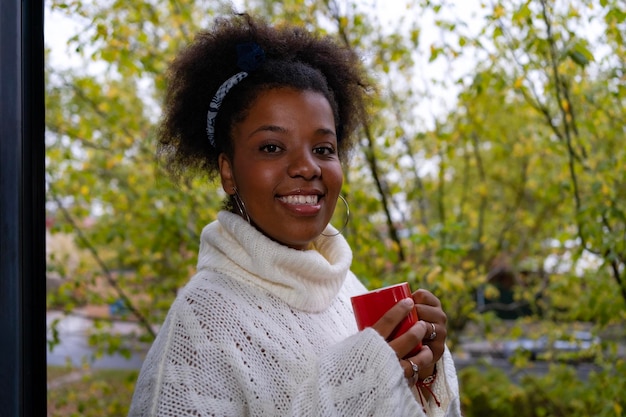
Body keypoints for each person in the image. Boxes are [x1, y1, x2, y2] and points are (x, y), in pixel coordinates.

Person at [129, 13, 461, 417]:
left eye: (323, 149)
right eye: (272, 147)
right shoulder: (202, 323)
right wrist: (360, 381)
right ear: (228, 172)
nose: (308, 167)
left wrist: (425, 368)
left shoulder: (347, 290)